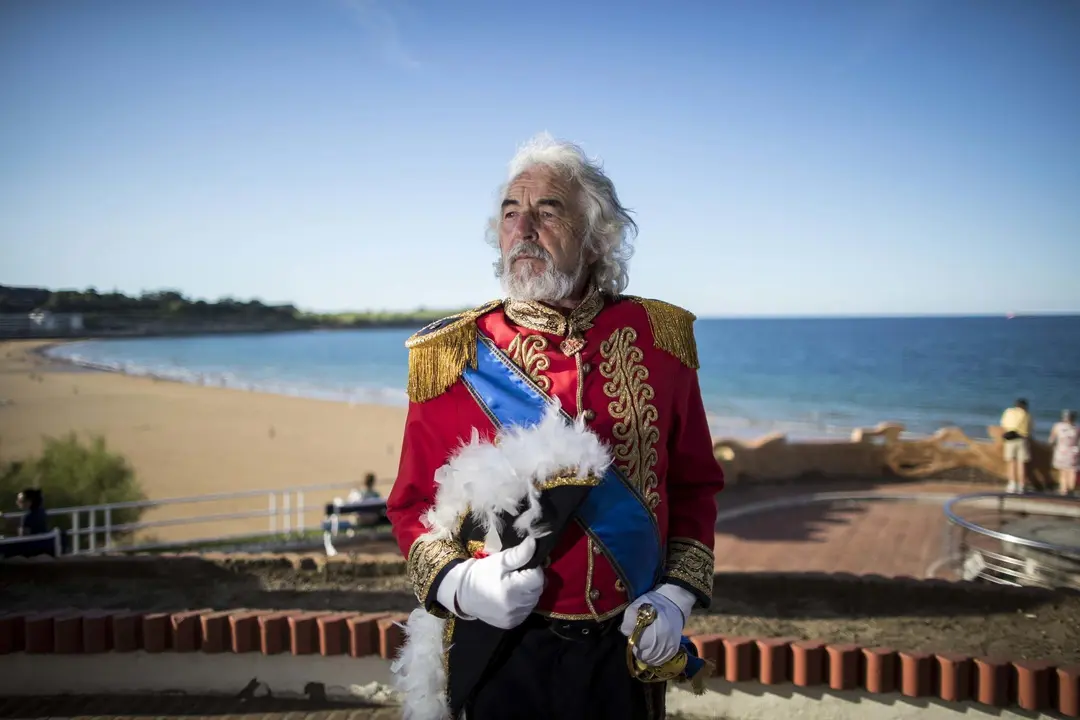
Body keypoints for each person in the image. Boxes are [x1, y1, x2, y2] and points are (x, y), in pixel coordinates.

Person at [386, 133, 725, 720]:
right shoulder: (453, 354)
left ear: (596, 237)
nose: (524, 227)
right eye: (511, 212)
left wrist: (676, 597)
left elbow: (694, 486)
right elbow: (411, 505)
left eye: (548, 210)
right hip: (501, 648)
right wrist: (460, 586)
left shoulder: (662, 339)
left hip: (625, 649)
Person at [1000, 398, 1032, 493]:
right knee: (1021, 463)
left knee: (1011, 462)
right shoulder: (1027, 415)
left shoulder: (1009, 412)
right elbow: (1030, 428)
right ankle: (1022, 485)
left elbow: (1004, 424)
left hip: (1010, 439)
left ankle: (1012, 484)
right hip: (1022, 439)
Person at [1048, 410, 1078, 495]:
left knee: (1062, 472)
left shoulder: (1057, 426)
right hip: (1073, 451)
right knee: (1072, 471)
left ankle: (1063, 489)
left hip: (1061, 451)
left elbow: (1051, 440)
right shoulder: (1077, 428)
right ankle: (1071, 489)